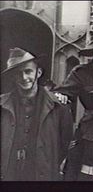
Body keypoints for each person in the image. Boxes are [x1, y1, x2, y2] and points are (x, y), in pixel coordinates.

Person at [1, 48, 73, 181]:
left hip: (41, 175)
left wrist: (47, 164)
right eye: (18, 73)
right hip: (9, 174)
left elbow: (65, 144)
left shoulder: (58, 108)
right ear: (13, 77)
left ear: (38, 72)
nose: (24, 77)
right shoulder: (2, 106)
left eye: (28, 71)